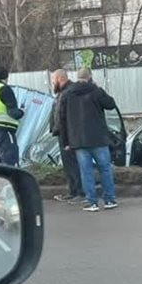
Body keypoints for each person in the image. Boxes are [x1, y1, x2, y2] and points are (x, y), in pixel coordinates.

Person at [59, 68, 118, 212]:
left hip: (78, 140)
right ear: (90, 77)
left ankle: (92, 202)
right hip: (98, 138)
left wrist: (66, 141)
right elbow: (110, 104)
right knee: (105, 169)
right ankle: (109, 200)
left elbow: (62, 118)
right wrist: (98, 88)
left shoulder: (67, 94)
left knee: (86, 171)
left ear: (77, 77)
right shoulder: (96, 91)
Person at [49, 69, 83, 203]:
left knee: (74, 165)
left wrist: (67, 139)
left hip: (68, 136)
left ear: (59, 78)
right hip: (63, 134)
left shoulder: (69, 92)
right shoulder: (63, 92)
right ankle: (73, 191)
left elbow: (67, 117)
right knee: (69, 165)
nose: (52, 83)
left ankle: (79, 192)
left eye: (53, 80)